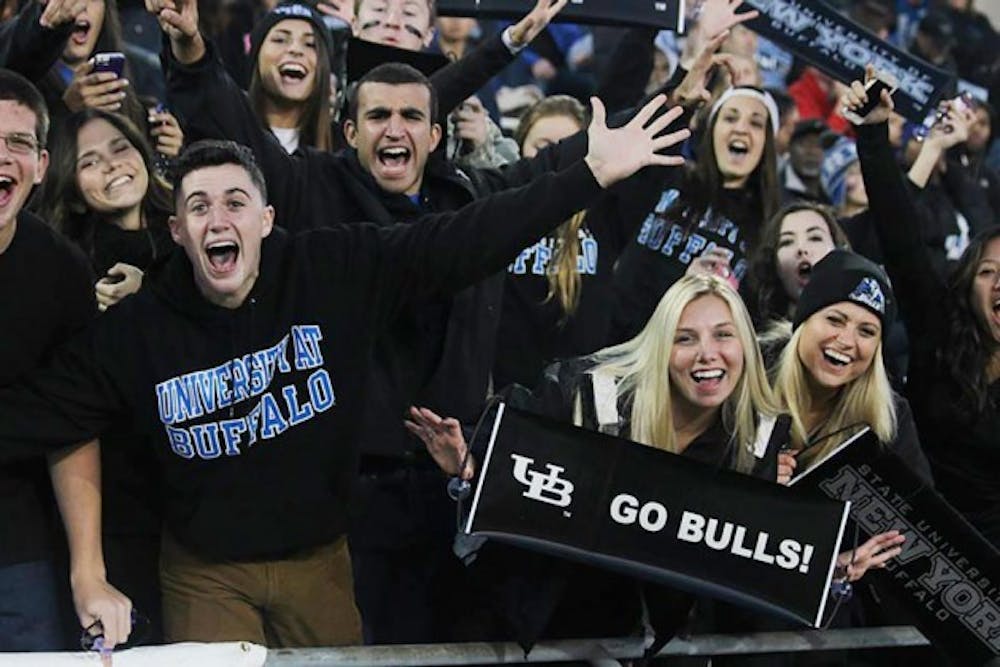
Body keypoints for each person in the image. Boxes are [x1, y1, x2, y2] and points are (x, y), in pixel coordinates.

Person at [0, 89, 685, 646]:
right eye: (199, 207)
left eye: (236, 202)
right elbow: (40, 413)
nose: (218, 219)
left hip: (321, 559)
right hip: (205, 571)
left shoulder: (333, 268)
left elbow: (464, 239)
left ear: (266, 218)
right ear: (177, 230)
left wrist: (586, 176)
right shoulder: (136, 331)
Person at [406, 274, 784, 647]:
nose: (707, 353)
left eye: (723, 335)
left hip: (640, 635)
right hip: (524, 620)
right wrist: (470, 464)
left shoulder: (754, 436)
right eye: (684, 338)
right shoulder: (589, 394)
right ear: (660, 347)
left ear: (746, 346)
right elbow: (509, 435)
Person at [0, 68, 131, 651]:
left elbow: (73, 425)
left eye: (18, 143)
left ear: (41, 165)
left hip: (15, 540)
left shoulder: (60, 270)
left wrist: (89, 572)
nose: (2, 156)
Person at [841, 69, 1000, 549]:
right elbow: (899, 236)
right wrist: (872, 134)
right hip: (916, 544)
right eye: (989, 272)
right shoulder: (939, 332)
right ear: (968, 283)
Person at [610, 83, 781, 342]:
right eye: (730, 117)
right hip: (610, 342)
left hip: (678, 361)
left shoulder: (771, 226)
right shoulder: (668, 174)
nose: (741, 128)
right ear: (712, 130)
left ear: (768, 143)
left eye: (756, 123)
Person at [245, 2, 335, 153]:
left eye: (310, 44)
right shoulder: (227, 128)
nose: (295, 50)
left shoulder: (344, 148)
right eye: (280, 40)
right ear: (257, 57)